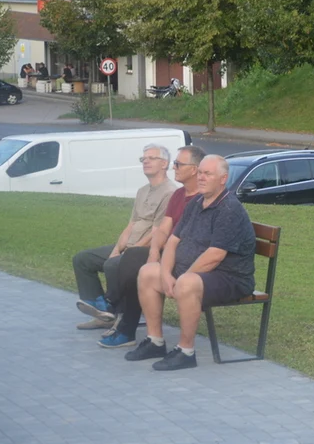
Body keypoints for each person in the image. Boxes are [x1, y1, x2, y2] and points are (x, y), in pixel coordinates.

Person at [124, 155, 256, 371]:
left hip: (230, 277)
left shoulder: (229, 209)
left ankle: (186, 352)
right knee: (149, 272)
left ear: (223, 179)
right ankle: (155, 341)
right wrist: (166, 274)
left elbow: (214, 255)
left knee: (187, 283)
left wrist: (181, 279)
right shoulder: (196, 202)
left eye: (208, 174)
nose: (201, 177)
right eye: (200, 172)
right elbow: (173, 241)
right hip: (193, 272)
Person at [98, 145, 206, 348]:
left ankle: (112, 307)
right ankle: (124, 325)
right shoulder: (178, 195)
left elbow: (184, 238)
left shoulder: (201, 199)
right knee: (139, 264)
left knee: (133, 260)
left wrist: (157, 255)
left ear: (193, 169)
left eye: (178, 164)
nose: (174, 168)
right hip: (167, 252)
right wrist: (153, 253)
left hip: (187, 260)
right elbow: (163, 230)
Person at [72, 145, 177, 329]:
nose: (145, 161)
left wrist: (131, 250)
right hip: (129, 245)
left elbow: (157, 232)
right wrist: (116, 250)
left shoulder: (170, 192)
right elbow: (131, 224)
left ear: (164, 164)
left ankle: (114, 313)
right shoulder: (142, 191)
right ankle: (101, 311)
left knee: (113, 265)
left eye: (151, 158)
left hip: (144, 250)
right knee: (83, 259)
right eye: (143, 158)